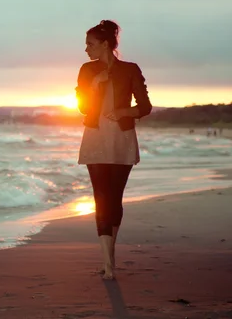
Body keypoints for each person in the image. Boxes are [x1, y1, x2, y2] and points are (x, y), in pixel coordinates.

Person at [75, 20, 153, 280]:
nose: (86, 49)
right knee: (101, 199)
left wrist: (121, 111)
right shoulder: (87, 70)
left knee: (115, 199)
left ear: (105, 44)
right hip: (95, 137)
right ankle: (108, 265)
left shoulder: (130, 69)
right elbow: (83, 107)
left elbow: (144, 107)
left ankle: (111, 256)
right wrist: (96, 84)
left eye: (90, 44)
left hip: (122, 138)